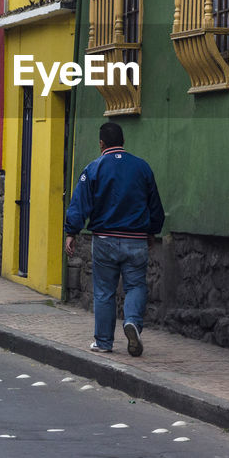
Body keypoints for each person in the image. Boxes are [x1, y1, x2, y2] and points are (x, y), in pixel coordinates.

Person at [64, 122, 164, 356]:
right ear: (123, 141)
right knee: (136, 285)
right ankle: (132, 322)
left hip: (105, 239)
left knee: (104, 291)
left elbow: (80, 204)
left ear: (101, 143)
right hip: (136, 239)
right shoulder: (143, 168)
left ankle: (104, 342)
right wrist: (152, 231)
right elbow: (155, 205)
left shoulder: (93, 169)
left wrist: (72, 232)